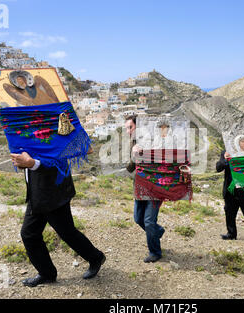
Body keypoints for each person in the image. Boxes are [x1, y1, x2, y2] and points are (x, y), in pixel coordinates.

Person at [11, 151, 106, 287]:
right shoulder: (28, 130)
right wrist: (25, 164)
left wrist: (32, 164)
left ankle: (96, 257)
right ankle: (47, 274)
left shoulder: (54, 129)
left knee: (66, 232)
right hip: (38, 193)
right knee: (29, 234)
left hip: (55, 192)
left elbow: (59, 156)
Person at [125, 115, 165, 263]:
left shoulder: (155, 140)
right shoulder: (133, 143)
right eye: (127, 128)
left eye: (130, 127)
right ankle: (158, 231)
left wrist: (145, 153)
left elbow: (163, 160)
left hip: (155, 187)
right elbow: (131, 167)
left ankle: (155, 252)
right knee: (138, 219)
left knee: (148, 221)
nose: (128, 131)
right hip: (140, 187)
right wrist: (135, 156)